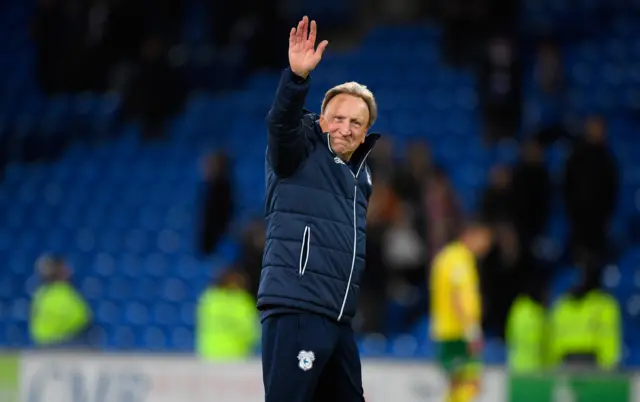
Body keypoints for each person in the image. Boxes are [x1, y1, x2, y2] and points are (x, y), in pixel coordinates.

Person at [257, 16, 380, 402]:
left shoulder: (362, 176)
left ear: (365, 132)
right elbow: (281, 124)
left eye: (356, 123)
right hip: (298, 307)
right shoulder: (299, 151)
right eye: (338, 118)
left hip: (337, 317)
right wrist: (296, 79)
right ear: (322, 119)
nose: (346, 128)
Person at [430, 221, 493, 402]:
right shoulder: (460, 259)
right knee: (470, 384)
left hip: (444, 332)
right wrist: (471, 331)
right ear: (470, 234)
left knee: (455, 386)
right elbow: (458, 296)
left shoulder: (445, 257)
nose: (486, 245)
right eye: (484, 238)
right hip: (457, 334)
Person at [196, 267, 259, 361]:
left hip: (208, 355)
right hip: (237, 357)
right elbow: (252, 333)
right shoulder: (242, 301)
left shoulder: (209, 298)